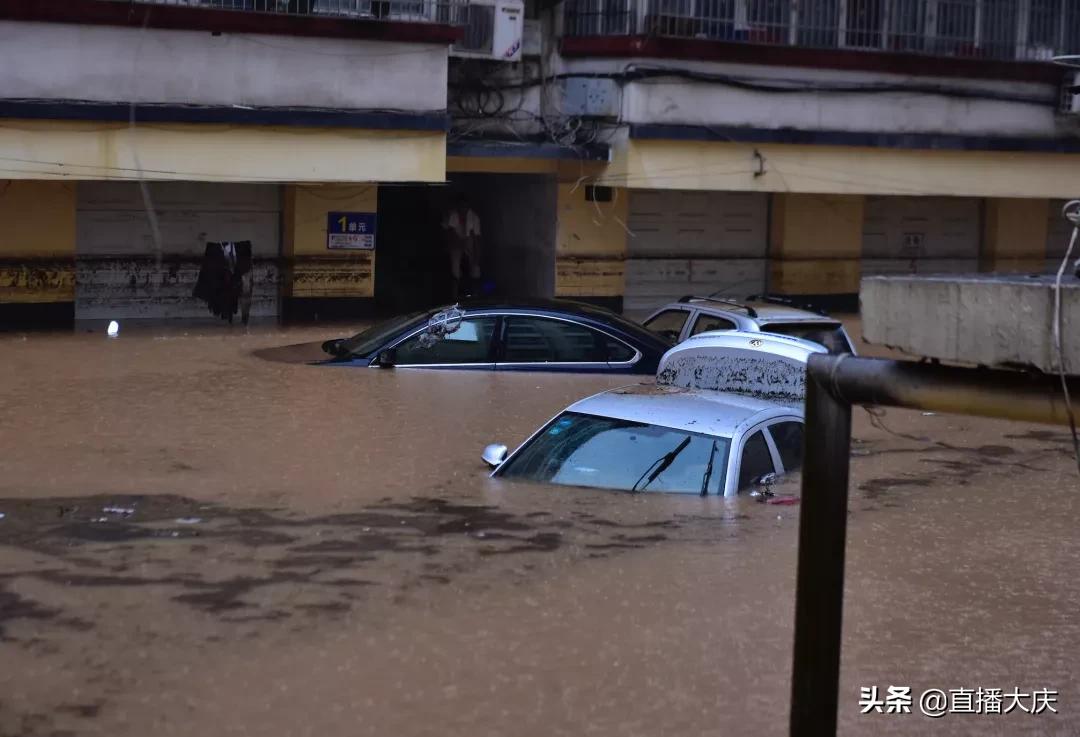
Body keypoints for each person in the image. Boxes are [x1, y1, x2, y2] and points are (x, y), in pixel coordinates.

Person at [442, 194, 482, 299]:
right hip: (456, 241)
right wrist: (456, 244)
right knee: (455, 268)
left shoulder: (474, 217)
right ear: (458, 207)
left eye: (465, 207)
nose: (463, 209)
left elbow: (476, 238)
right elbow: (450, 232)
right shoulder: (453, 215)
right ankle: (454, 295)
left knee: (475, 268)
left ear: (468, 207)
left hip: (469, 240)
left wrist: (476, 256)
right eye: (461, 207)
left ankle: (475, 295)